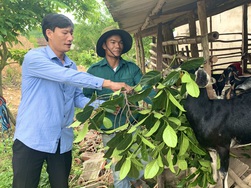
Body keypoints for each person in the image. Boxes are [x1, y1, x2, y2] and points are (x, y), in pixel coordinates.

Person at [12, 13, 131, 188]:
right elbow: (64, 76)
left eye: (72, 33)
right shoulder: (35, 58)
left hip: (61, 142)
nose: (70, 38)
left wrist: (104, 106)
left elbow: (78, 97)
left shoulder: (71, 64)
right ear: (49, 33)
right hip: (33, 138)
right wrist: (108, 84)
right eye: (65, 33)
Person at [83, 27, 151, 188]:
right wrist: (103, 107)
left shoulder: (132, 68)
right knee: (118, 170)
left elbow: (146, 90)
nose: (117, 46)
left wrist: (159, 103)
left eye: (120, 43)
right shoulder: (94, 70)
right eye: (112, 42)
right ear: (104, 46)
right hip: (110, 129)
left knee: (143, 162)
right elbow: (85, 97)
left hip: (132, 125)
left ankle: (135, 180)